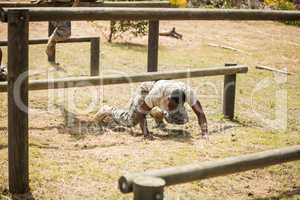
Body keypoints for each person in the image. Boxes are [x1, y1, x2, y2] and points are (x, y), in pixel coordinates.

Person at [95, 80, 208, 140]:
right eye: (170, 105)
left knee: (181, 119)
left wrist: (204, 133)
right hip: (146, 91)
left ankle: (157, 113)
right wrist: (146, 134)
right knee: (131, 121)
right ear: (168, 99)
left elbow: (200, 113)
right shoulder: (156, 94)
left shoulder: (189, 93)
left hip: (162, 97)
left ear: (182, 103)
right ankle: (109, 110)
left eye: (174, 107)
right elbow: (141, 113)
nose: (171, 108)